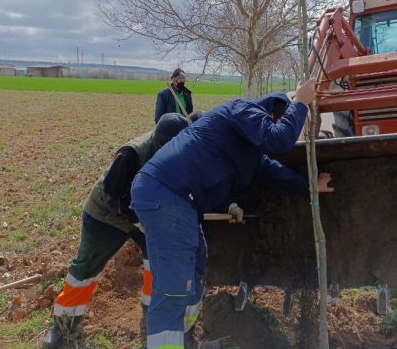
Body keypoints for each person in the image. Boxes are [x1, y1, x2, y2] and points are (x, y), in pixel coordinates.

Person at [130, 79, 334, 349]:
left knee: (196, 265)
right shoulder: (243, 110)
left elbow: (273, 168)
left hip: (181, 202)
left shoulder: (248, 148)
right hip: (166, 194)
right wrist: (301, 102)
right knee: (174, 287)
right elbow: (278, 141)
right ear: (272, 112)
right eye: (282, 121)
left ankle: (184, 339)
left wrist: (311, 186)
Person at [42, 113, 192, 349]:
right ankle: (63, 325)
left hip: (145, 214)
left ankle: (152, 312)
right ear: (161, 142)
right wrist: (138, 220)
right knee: (86, 269)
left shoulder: (177, 152)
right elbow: (113, 195)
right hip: (106, 215)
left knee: (158, 264)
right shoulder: (131, 154)